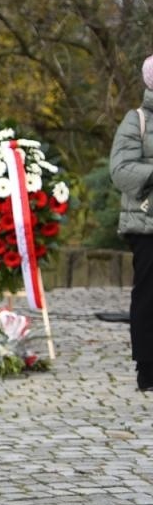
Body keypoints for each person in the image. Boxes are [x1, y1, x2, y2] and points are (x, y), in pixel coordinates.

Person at [109, 55, 153, 391]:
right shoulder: (135, 120)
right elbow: (120, 170)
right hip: (146, 225)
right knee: (148, 297)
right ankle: (148, 369)